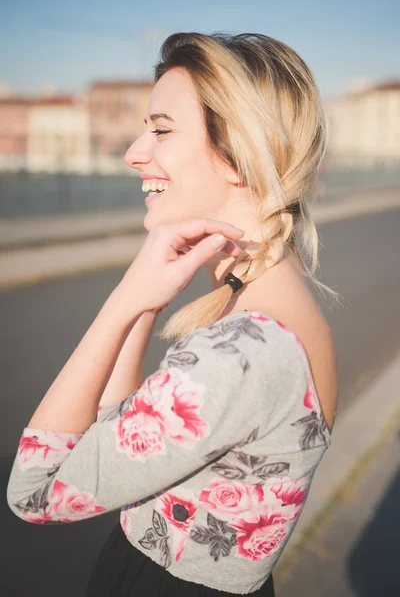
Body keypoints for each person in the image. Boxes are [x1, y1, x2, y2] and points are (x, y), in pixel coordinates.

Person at [7, 32, 339, 596]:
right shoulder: (263, 298)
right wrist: (145, 300)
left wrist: (122, 301)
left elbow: (34, 491)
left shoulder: (243, 352)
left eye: (161, 130)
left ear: (239, 154)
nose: (135, 152)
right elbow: (117, 429)